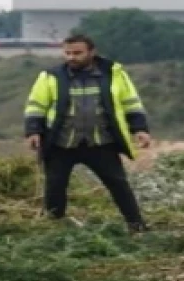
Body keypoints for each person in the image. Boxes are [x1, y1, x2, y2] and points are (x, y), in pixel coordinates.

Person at [23, 33, 151, 232]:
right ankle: (54, 229)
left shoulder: (114, 74)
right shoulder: (50, 76)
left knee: (119, 185)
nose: (71, 57)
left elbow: (131, 103)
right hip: (61, 144)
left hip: (101, 143)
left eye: (77, 53)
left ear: (92, 52)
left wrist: (140, 129)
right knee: (55, 188)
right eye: (67, 53)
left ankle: (137, 226)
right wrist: (33, 131)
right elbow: (36, 106)